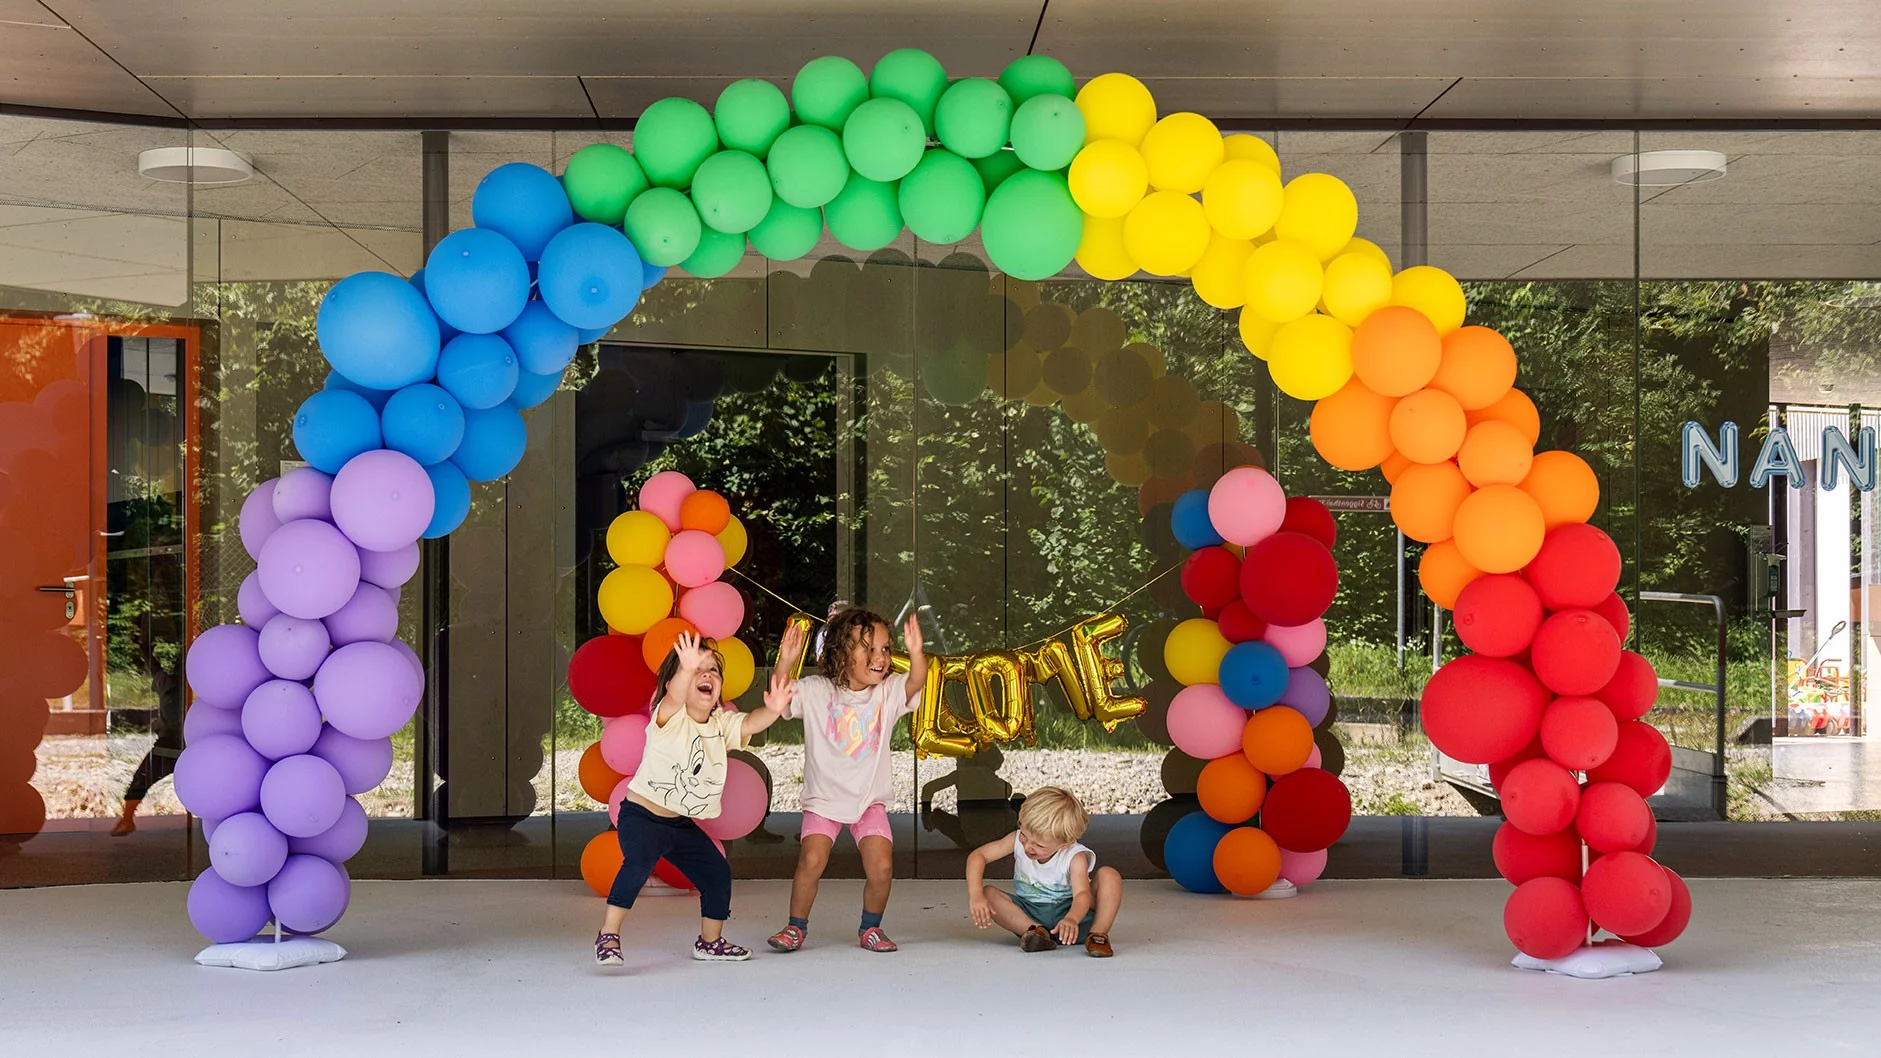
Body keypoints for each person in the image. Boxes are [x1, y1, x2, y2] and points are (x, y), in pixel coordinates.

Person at [594, 632, 791, 967]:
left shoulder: (721, 724)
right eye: (697, 669)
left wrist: (782, 674)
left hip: (681, 824)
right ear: (677, 680)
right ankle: (608, 935)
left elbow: (755, 720)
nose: (707, 675)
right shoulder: (668, 718)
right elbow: (673, 695)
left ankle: (710, 942)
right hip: (642, 816)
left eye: (714, 670)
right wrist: (685, 670)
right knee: (639, 863)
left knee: (717, 872)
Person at [766, 607, 926, 954]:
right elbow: (779, 699)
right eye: (867, 648)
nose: (880, 657)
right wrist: (787, 659)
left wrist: (916, 655)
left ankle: (870, 928)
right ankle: (796, 927)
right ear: (840, 653)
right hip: (824, 800)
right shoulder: (815, 690)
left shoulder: (887, 692)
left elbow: (916, 681)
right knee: (811, 860)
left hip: (869, 800)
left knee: (882, 867)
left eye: (884, 649)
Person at [966, 785, 1123, 958]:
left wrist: (1072, 918)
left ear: (1066, 843)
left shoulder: (1074, 856)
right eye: (1025, 835)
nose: (1027, 846)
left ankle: (1097, 935)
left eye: (1039, 845)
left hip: (1073, 918)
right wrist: (976, 895)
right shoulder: (1016, 840)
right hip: (1028, 914)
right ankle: (1037, 933)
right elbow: (978, 855)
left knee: (1109, 875)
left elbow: (1082, 895)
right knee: (988, 893)